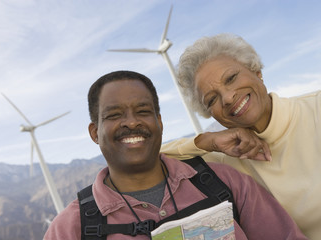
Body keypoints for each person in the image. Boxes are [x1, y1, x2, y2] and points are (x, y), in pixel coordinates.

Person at [44, 70, 306, 240]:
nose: (132, 122)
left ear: (159, 121)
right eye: (114, 115)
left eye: (143, 111)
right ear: (95, 133)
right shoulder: (70, 230)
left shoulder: (226, 183)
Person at [161, 33, 321, 239]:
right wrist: (206, 141)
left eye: (231, 78)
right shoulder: (225, 159)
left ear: (256, 71)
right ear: (210, 113)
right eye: (212, 99)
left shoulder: (316, 108)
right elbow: (137, 158)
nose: (227, 98)